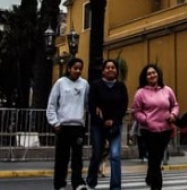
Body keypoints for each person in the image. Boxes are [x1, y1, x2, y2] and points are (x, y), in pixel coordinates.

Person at [132, 64, 179, 190]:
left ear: (158, 74)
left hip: (165, 130)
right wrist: (145, 119)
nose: (152, 75)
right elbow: (136, 111)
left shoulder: (167, 90)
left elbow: (175, 105)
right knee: (155, 158)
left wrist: (173, 115)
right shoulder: (140, 93)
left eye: (154, 72)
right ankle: (156, 186)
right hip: (149, 130)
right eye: (149, 74)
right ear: (145, 77)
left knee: (156, 158)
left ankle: (149, 176)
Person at [46, 57, 89, 190]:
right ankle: (59, 184)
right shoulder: (60, 83)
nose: (77, 71)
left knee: (77, 158)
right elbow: (52, 104)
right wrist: (55, 122)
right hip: (63, 126)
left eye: (80, 69)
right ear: (69, 68)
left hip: (78, 126)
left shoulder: (85, 84)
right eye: (75, 68)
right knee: (62, 158)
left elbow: (88, 104)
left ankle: (78, 183)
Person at [86, 58, 129, 190]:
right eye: (107, 67)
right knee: (97, 153)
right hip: (98, 126)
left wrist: (114, 121)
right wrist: (102, 121)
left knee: (115, 155)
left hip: (115, 125)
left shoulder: (121, 86)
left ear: (116, 71)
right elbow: (91, 105)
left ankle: (116, 187)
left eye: (113, 67)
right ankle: (91, 182)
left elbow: (123, 106)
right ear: (103, 71)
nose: (110, 69)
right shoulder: (96, 85)